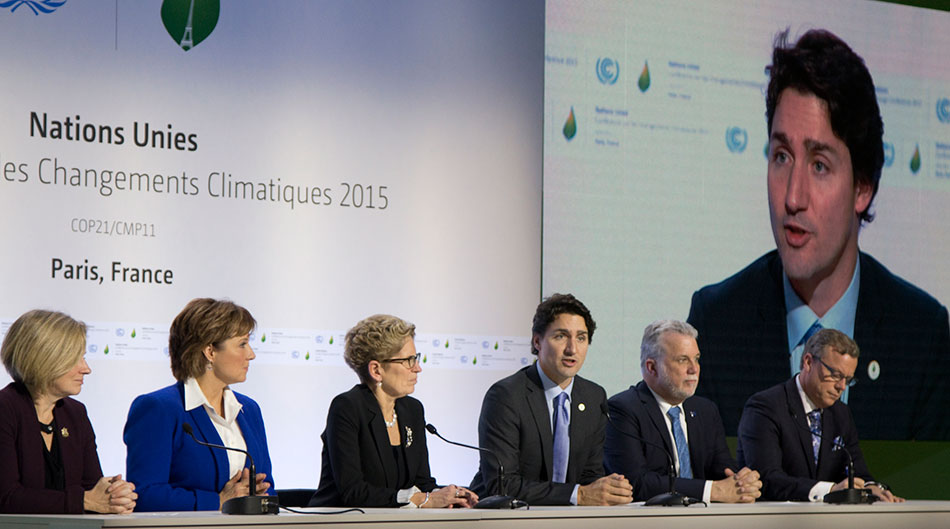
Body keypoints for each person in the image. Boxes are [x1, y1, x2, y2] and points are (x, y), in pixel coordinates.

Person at [687, 28, 950, 440]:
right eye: (781, 156)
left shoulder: (921, 338)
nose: (793, 197)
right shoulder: (718, 327)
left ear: (862, 187)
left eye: (820, 165)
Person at [469, 293, 633, 506]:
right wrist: (579, 495)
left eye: (581, 338)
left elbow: (590, 476)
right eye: (561, 336)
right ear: (537, 341)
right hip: (505, 516)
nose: (572, 349)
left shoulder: (593, 397)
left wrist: (608, 490)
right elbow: (503, 485)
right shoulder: (506, 396)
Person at [309, 314, 477, 508]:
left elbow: (422, 484)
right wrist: (421, 500)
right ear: (376, 370)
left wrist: (450, 496)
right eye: (409, 360)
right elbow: (353, 492)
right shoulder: (347, 408)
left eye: (416, 358)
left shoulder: (412, 410)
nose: (418, 368)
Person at [124, 298, 274, 511]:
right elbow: (145, 494)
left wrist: (260, 495)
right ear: (210, 352)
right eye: (242, 344)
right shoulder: (158, 409)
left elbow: (269, 486)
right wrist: (219, 501)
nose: (251, 354)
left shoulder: (249, 410)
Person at [604, 320, 761, 503]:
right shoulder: (623, 409)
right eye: (682, 359)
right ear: (651, 367)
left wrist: (742, 482)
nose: (694, 369)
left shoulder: (705, 410)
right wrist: (711, 490)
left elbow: (722, 468)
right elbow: (636, 483)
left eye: (696, 358)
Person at [737, 329, 902, 502]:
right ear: (808, 362)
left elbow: (857, 470)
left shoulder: (841, 414)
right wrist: (830, 490)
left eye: (848, 379)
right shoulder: (766, 407)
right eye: (836, 375)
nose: (841, 386)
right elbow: (767, 479)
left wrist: (871, 488)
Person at [0, 310, 137, 514]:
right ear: (45, 359)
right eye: (76, 359)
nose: (86, 368)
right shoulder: (5, 409)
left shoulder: (75, 413)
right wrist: (85, 501)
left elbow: (91, 488)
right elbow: (6, 498)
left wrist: (114, 496)